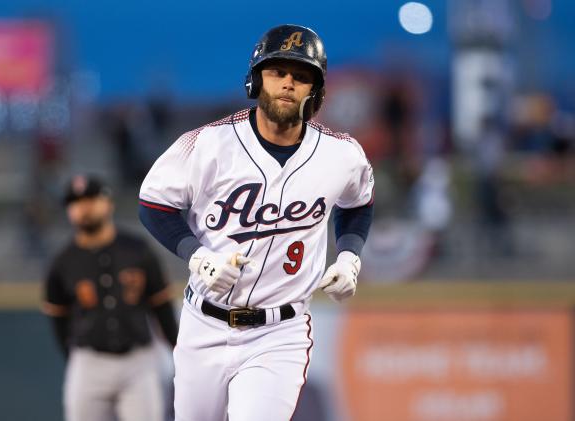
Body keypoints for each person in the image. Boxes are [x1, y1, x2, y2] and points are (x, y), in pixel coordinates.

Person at [139, 24, 374, 421]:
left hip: (279, 332)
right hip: (203, 325)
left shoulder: (341, 154)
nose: (287, 84)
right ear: (256, 79)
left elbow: (359, 202)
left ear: (315, 92)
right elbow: (153, 204)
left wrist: (350, 256)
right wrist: (196, 257)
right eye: (277, 72)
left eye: (301, 77)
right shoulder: (208, 144)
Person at [42, 174, 178, 421]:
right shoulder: (62, 262)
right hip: (89, 362)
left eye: (91, 199)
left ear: (109, 203)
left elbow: (161, 306)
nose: (83, 207)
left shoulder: (137, 250)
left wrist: (177, 349)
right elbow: (58, 319)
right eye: (75, 202)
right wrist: (74, 357)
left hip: (139, 361)